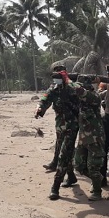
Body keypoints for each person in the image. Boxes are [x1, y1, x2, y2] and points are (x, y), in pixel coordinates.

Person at [35, 71, 80, 200]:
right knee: (65, 151)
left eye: (58, 78)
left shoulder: (72, 88)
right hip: (60, 126)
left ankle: (55, 187)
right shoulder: (54, 89)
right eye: (54, 78)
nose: (56, 80)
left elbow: (80, 97)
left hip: (72, 125)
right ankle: (71, 176)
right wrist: (40, 108)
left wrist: (69, 82)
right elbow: (46, 99)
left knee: (63, 154)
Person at [74, 75, 106, 201]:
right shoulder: (80, 99)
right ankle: (98, 179)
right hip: (83, 137)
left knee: (93, 166)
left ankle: (97, 191)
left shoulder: (94, 97)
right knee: (79, 165)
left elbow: (81, 92)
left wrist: (68, 81)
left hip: (94, 136)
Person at [43, 65, 69, 172]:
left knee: (68, 145)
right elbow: (46, 99)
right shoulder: (53, 87)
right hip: (60, 120)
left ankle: (67, 168)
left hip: (72, 121)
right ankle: (56, 163)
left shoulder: (71, 85)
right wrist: (40, 109)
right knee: (59, 142)